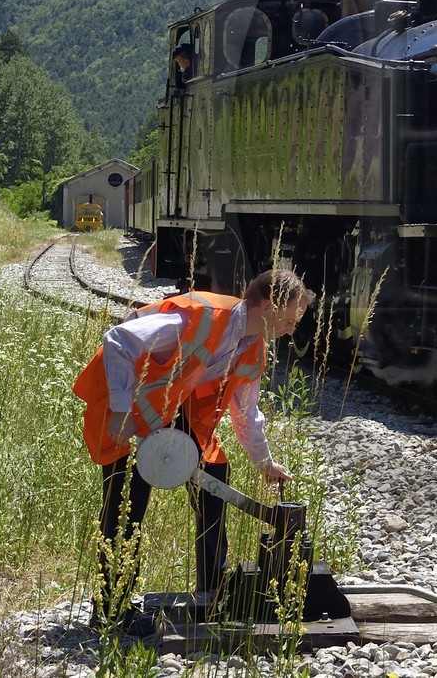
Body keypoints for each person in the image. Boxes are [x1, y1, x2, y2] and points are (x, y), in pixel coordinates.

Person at [72, 268, 314, 630]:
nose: (292, 329)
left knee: (214, 476)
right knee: (127, 504)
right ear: (266, 306)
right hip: (125, 410)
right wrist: (122, 414)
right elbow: (119, 341)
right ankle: (110, 611)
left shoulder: (253, 348)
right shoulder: (199, 316)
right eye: (291, 319)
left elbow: (246, 413)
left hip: (175, 415)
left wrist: (265, 463)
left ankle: (211, 596)